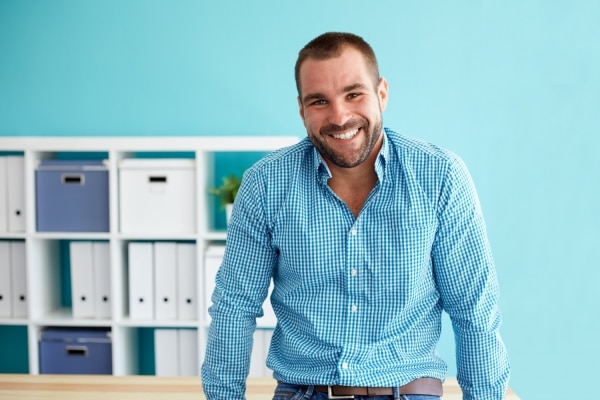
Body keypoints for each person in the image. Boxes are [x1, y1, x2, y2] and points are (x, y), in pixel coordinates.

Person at [201, 32, 510, 400]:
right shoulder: (265, 185)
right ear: (302, 110)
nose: (339, 116)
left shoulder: (441, 176)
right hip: (304, 392)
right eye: (319, 101)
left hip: (409, 392)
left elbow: (474, 310)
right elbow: (235, 305)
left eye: (353, 94)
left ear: (382, 93)